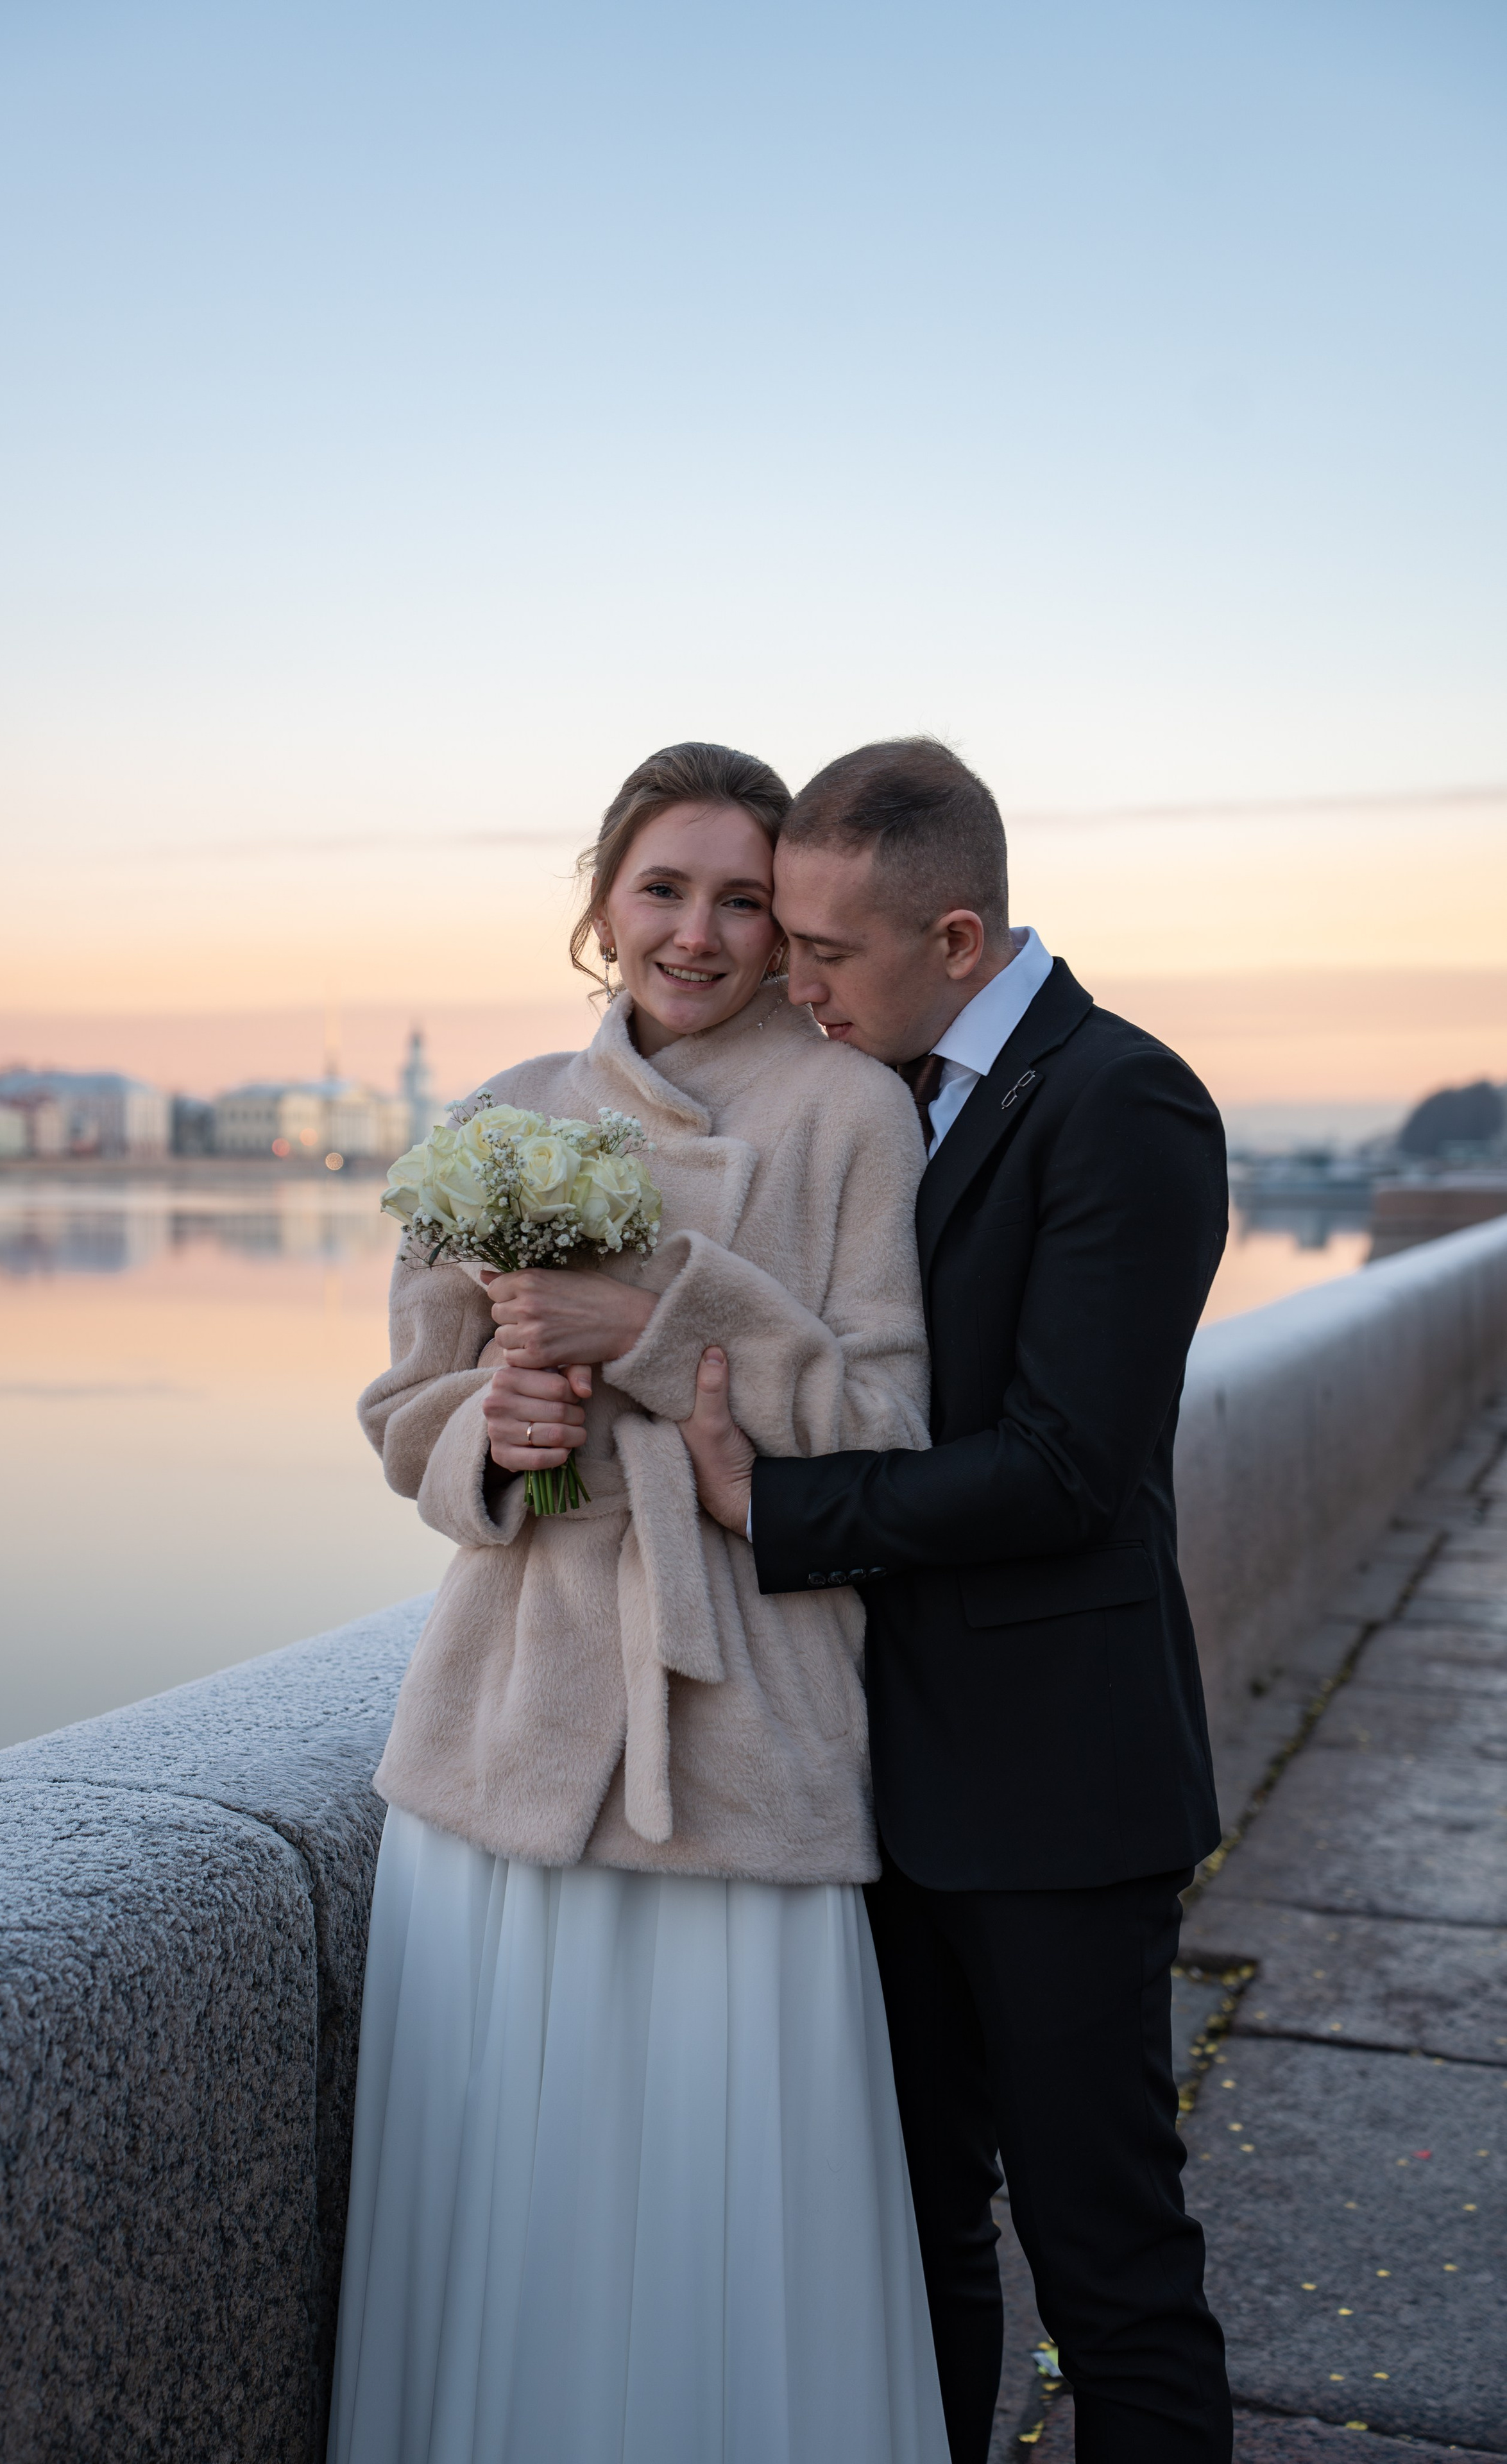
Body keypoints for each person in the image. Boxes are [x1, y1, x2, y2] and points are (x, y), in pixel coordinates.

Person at [328, 742, 951, 2464]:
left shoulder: (849, 1111)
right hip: (511, 1718)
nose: (698, 933)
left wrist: (666, 1320)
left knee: (716, 2178)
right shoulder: (504, 1111)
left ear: (785, 922)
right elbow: (403, 1414)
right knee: (514, 2175)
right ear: (603, 903)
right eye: (662, 889)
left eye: (743, 899)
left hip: (735, 1717)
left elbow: (885, 1428)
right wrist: (491, 1433)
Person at [679, 738, 1235, 2464]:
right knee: (913, 2244)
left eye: (829, 955)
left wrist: (776, 1507)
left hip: (1062, 1796)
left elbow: (1070, 1469)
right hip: (893, 1783)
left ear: (965, 939)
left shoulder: (1124, 1101)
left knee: (1110, 2263)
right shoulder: (883, 1085)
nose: (798, 982)